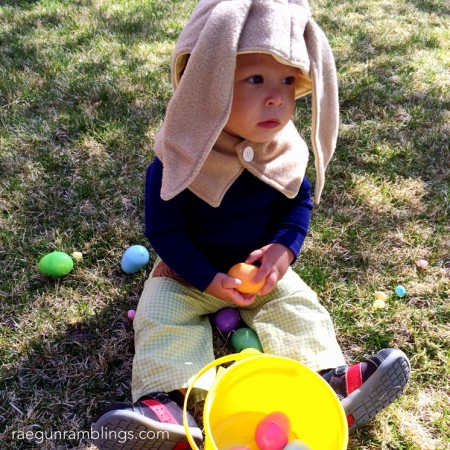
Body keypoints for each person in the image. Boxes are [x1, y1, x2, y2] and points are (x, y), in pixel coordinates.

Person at [93, 1, 410, 448]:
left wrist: (284, 250)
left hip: (258, 273)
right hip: (186, 274)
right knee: (162, 318)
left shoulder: (283, 150)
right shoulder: (181, 156)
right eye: (255, 79)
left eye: (287, 81)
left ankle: (329, 382)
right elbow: (165, 232)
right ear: (206, 87)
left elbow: (298, 205)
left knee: (297, 305)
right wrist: (207, 278)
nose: (277, 97)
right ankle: (166, 405)